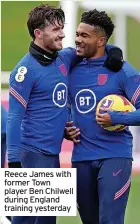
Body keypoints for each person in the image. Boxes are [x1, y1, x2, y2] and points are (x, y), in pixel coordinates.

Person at [6, 4, 123, 224]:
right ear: (38, 34)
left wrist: (114, 52)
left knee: (48, 222)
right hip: (30, 155)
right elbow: (14, 117)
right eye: (56, 30)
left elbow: (93, 44)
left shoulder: (65, 58)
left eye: (62, 28)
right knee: (23, 221)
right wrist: (14, 164)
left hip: (52, 156)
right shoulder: (24, 71)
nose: (62, 34)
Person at [66, 9, 140, 224]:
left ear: (101, 41)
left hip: (114, 156)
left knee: (110, 220)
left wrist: (117, 118)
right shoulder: (70, 69)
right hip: (80, 158)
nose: (78, 40)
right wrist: (64, 129)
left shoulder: (125, 72)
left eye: (84, 36)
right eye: (77, 34)